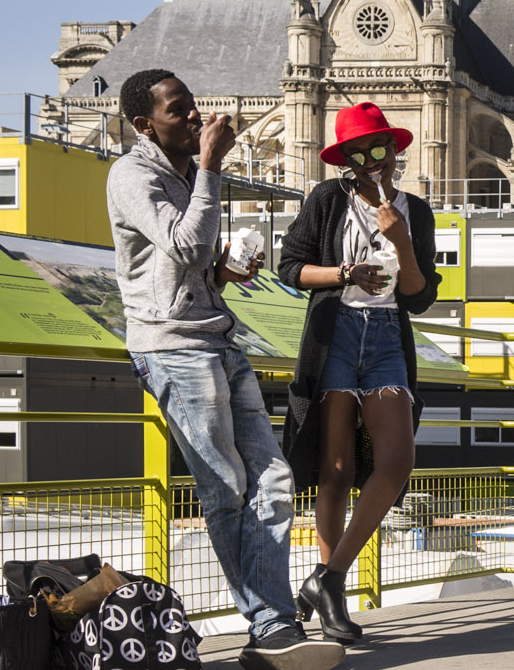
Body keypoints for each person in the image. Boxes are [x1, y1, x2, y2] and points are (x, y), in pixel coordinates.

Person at [105, 69, 345, 670]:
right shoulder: (132, 175)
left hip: (217, 339)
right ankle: (270, 625)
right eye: (179, 110)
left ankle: (273, 625)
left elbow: (192, 265)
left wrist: (224, 274)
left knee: (274, 481)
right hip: (171, 347)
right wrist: (211, 167)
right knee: (226, 489)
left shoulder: (186, 174)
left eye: (194, 106)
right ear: (144, 125)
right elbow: (183, 245)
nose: (195, 117)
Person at [277, 102, 441, 643]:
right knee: (337, 471)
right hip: (335, 335)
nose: (371, 161)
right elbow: (290, 268)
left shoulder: (414, 210)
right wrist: (346, 271)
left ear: (395, 150)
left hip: (387, 337)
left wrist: (401, 243)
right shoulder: (327, 200)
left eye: (379, 149)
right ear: (345, 159)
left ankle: (328, 577)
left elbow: (419, 298)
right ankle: (332, 602)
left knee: (395, 463)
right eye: (357, 153)